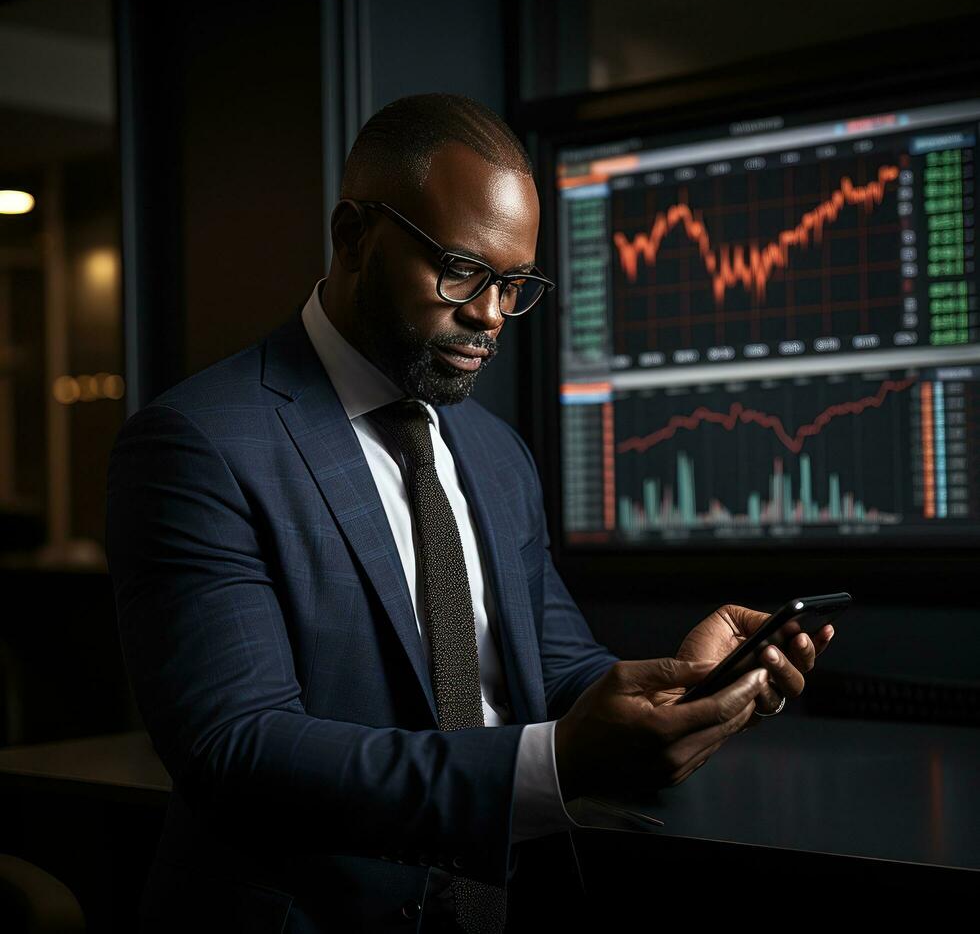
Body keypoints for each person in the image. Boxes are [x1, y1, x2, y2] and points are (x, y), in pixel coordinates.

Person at [105, 92, 834, 933]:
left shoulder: (494, 452)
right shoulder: (199, 444)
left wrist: (689, 686)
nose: (491, 314)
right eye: (461, 270)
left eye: (515, 284)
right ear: (353, 238)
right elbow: (239, 750)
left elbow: (554, 677)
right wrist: (554, 762)